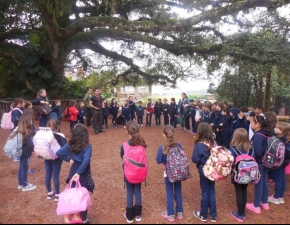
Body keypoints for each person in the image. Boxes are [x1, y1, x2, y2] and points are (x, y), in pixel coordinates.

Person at [56, 124, 94, 224]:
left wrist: (68, 159)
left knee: (74, 194)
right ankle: (83, 219)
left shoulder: (69, 145)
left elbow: (59, 153)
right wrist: (78, 172)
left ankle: (75, 217)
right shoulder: (87, 146)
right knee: (83, 195)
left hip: (74, 171)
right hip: (83, 172)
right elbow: (85, 161)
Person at [156, 125, 184, 222]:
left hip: (168, 172)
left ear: (164, 135)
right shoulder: (179, 145)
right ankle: (180, 212)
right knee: (178, 191)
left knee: (169, 192)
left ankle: (171, 214)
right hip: (178, 172)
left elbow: (158, 160)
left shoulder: (162, 147)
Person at [120, 122, 147, 223]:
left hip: (128, 172)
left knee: (129, 191)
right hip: (139, 172)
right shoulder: (143, 144)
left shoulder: (124, 145)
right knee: (137, 191)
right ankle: (138, 214)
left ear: (127, 131)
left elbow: (121, 155)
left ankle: (129, 216)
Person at [246, 114, 273, 213]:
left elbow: (257, 152)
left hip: (260, 162)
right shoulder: (268, 133)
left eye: (252, 122)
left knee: (258, 183)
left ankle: (256, 205)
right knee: (264, 181)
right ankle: (264, 202)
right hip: (267, 162)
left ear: (257, 124)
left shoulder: (258, 136)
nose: (251, 124)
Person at [192, 122, 217, 223]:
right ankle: (213, 215)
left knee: (205, 191)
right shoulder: (214, 142)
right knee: (212, 190)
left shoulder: (200, 144)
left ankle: (203, 214)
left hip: (204, 169)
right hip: (213, 169)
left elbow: (195, 159)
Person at [229, 128, 255, 222]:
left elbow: (230, 162)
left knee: (239, 192)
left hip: (237, 174)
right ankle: (243, 211)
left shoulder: (232, 149)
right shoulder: (251, 148)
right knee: (244, 191)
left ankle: (240, 214)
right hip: (248, 173)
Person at [45, 119, 67, 202]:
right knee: (55, 175)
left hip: (46, 156)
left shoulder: (45, 135)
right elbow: (65, 146)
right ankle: (57, 194)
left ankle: (50, 193)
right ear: (58, 126)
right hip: (57, 157)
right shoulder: (60, 135)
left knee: (48, 174)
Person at [268, 122, 290, 205]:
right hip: (284, 162)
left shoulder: (280, 140)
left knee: (277, 179)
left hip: (278, 162)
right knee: (282, 179)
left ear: (282, 131)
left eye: (277, 128)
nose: (275, 129)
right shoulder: (286, 139)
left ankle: (276, 197)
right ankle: (280, 196)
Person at [15, 115, 37, 192]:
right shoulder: (27, 132)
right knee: (24, 168)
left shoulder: (19, 131)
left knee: (21, 167)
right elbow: (30, 144)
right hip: (26, 153)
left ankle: (20, 183)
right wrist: (34, 149)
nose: (31, 122)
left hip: (21, 151)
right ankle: (25, 185)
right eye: (30, 121)